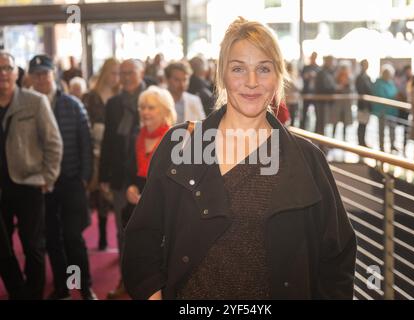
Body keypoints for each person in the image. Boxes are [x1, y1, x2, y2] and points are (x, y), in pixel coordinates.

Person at [122, 17, 356, 300]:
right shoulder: (180, 146)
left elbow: (336, 259)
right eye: (238, 69)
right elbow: (142, 236)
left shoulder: (307, 160)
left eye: (264, 69)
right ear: (221, 74)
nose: (252, 82)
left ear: (278, 76)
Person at [28, 54, 96, 300]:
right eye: (36, 75)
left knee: (72, 238)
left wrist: (84, 178)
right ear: (30, 79)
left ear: (53, 75)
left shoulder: (72, 104)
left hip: (71, 180)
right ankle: (62, 288)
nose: (41, 79)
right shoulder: (27, 106)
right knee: (52, 240)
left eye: (45, 73)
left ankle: (84, 287)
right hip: (41, 184)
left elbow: (85, 144)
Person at [0, 51, 63, 299]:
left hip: (29, 184)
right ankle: (18, 291)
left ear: (16, 73)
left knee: (33, 246)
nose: (3, 73)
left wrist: (47, 178)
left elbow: (53, 143)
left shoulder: (35, 101)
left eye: (7, 68)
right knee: (2, 248)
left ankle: (34, 293)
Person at [99, 58, 146, 299]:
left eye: (131, 72)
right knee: (122, 231)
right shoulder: (114, 103)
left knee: (151, 231)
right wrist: (104, 175)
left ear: (142, 73)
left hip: (147, 176)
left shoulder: (152, 98)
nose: (126, 77)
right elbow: (108, 139)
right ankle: (125, 281)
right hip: (119, 175)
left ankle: (148, 282)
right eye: (122, 73)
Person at [121, 86, 175, 229]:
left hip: (163, 212)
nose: (145, 112)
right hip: (135, 210)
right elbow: (129, 171)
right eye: (142, 107)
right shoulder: (136, 137)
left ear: (165, 111)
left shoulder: (175, 140)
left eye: (151, 108)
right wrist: (130, 187)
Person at [82, 57, 120, 251]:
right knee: (98, 193)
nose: (116, 77)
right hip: (94, 151)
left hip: (112, 152)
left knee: (110, 195)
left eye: (118, 73)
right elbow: (84, 126)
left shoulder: (120, 95)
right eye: (113, 73)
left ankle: (112, 236)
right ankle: (102, 235)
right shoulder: (91, 96)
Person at [372, 64, 398, 153]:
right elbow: (380, 95)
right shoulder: (378, 83)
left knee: (392, 130)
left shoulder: (391, 83)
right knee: (382, 130)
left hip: (392, 111)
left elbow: (395, 94)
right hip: (382, 111)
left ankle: (392, 145)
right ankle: (381, 146)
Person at [355, 59, 373, 147]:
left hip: (367, 105)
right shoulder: (360, 77)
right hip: (362, 105)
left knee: (364, 124)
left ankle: (362, 141)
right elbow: (361, 90)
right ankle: (360, 142)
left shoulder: (367, 77)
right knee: (361, 124)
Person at [300, 52, 320, 129]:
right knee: (304, 112)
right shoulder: (306, 67)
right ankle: (302, 129)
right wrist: (307, 75)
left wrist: (315, 76)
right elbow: (302, 76)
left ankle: (316, 131)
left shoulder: (318, 68)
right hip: (306, 92)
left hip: (315, 93)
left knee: (317, 113)